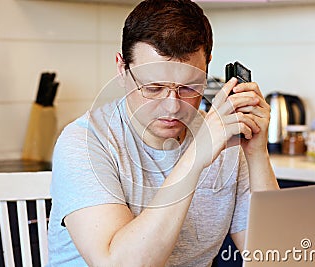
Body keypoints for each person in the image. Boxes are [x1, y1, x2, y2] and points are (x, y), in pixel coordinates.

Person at [47, 0, 279, 266]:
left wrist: (257, 153)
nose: (172, 107)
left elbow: (275, 258)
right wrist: (197, 155)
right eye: (154, 88)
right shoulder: (84, 142)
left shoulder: (222, 138)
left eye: (189, 88)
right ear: (122, 68)